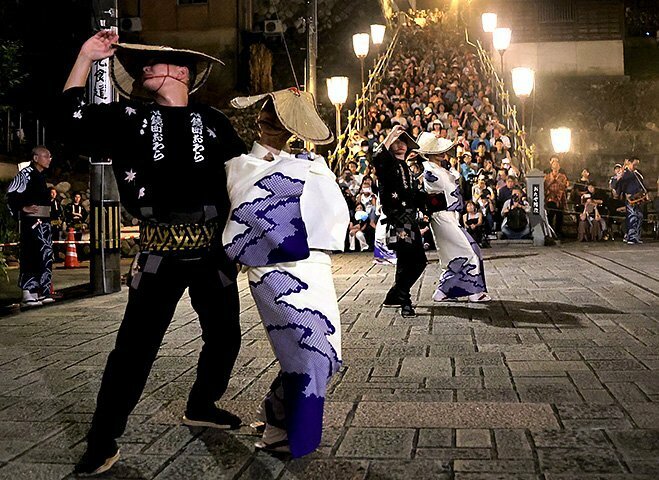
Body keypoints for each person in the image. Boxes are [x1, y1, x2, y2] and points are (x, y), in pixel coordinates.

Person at [61, 31, 246, 475]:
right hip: (158, 253)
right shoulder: (129, 118)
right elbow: (70, 119)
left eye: (156, 63)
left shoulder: (215, 121)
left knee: (225, 337)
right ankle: (103, 440)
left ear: (181, 71)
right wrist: (85, 56)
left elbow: (246, 180)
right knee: (133, 350)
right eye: (141, 65)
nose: (145, 70)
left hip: (210, 254)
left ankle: (202, 403)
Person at [223, 88, 348, 457]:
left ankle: (274, 412)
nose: (272, 122)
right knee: (308, 351)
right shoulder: (239, 165)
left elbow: (332, 213)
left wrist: (301, 169)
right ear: (259, 119)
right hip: (270, 268)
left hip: (314, 266)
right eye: (268, 114)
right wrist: (295, 171)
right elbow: (246, 210)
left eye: (282, 118)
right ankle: (284, 429)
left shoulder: (311, 164)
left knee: (326, 353)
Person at [372, 125, 427, 317]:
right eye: (396, 142)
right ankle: (404, 299)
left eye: (403, 141)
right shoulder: (387, 167)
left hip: (410, 219)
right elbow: (377, 159)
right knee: (415, 260)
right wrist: (389, 135)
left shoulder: (407, 169)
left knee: (411, 261)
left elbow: (414, 196)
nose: (400, 145)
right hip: (398, 219)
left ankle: (396, 295)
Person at [6, 146, 55, 308]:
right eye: (46, 156)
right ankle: (28, 292)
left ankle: (41, 290)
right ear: (35, 158)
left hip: (44, 221)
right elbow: (11, 194)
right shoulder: (25, 174)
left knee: (44, 256)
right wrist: (22, 207)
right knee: (31, 254)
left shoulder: (40, 176)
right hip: (32, 223)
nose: (49, 159)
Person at [615, 157, 648, 244]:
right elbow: (618, 183)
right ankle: (630, 237)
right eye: (634, 164)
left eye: (637, 164)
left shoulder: (637, 173)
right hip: (630, 198)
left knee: (639, 216)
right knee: (632, 217)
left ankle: (636, 236)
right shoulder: (625, 173)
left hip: (638, 198)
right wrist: (623, 169)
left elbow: (642, 184)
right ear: (629, 163)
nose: (636, 166)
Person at [544, 157, 569, 237]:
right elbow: (545, 186)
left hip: (560, 198)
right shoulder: (547, 176)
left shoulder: (562, 177)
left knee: (559, 216)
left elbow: (564, 186)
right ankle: (550, 232)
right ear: (551, 167)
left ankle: (558, 232)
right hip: (550, 198)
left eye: (557, 165)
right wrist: (552, 181)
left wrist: (558, 181)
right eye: (554, 165)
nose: (555, 167)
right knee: (550, 215)